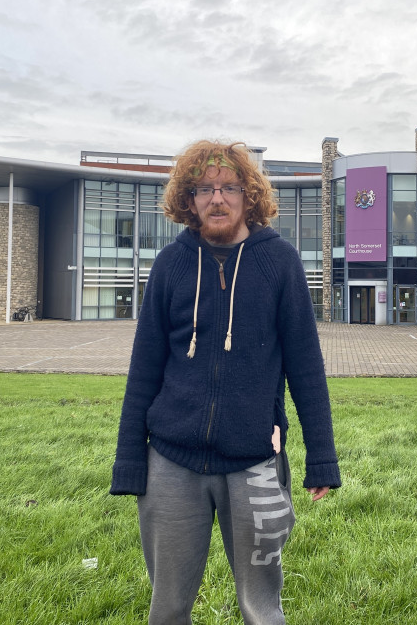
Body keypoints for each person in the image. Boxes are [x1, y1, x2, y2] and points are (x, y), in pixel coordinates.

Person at [111, 140, 341, 625]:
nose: (217, 198)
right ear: (188, 200)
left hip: (255, 463)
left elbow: (306, 367)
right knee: (168, 607)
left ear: (248, 195)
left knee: (261, 607)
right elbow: (143, 371)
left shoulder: (279, 263)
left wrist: (322, 458)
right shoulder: (170, 266)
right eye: (204, 189)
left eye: (229, 187)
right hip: (171, 464)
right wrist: (130, 461)